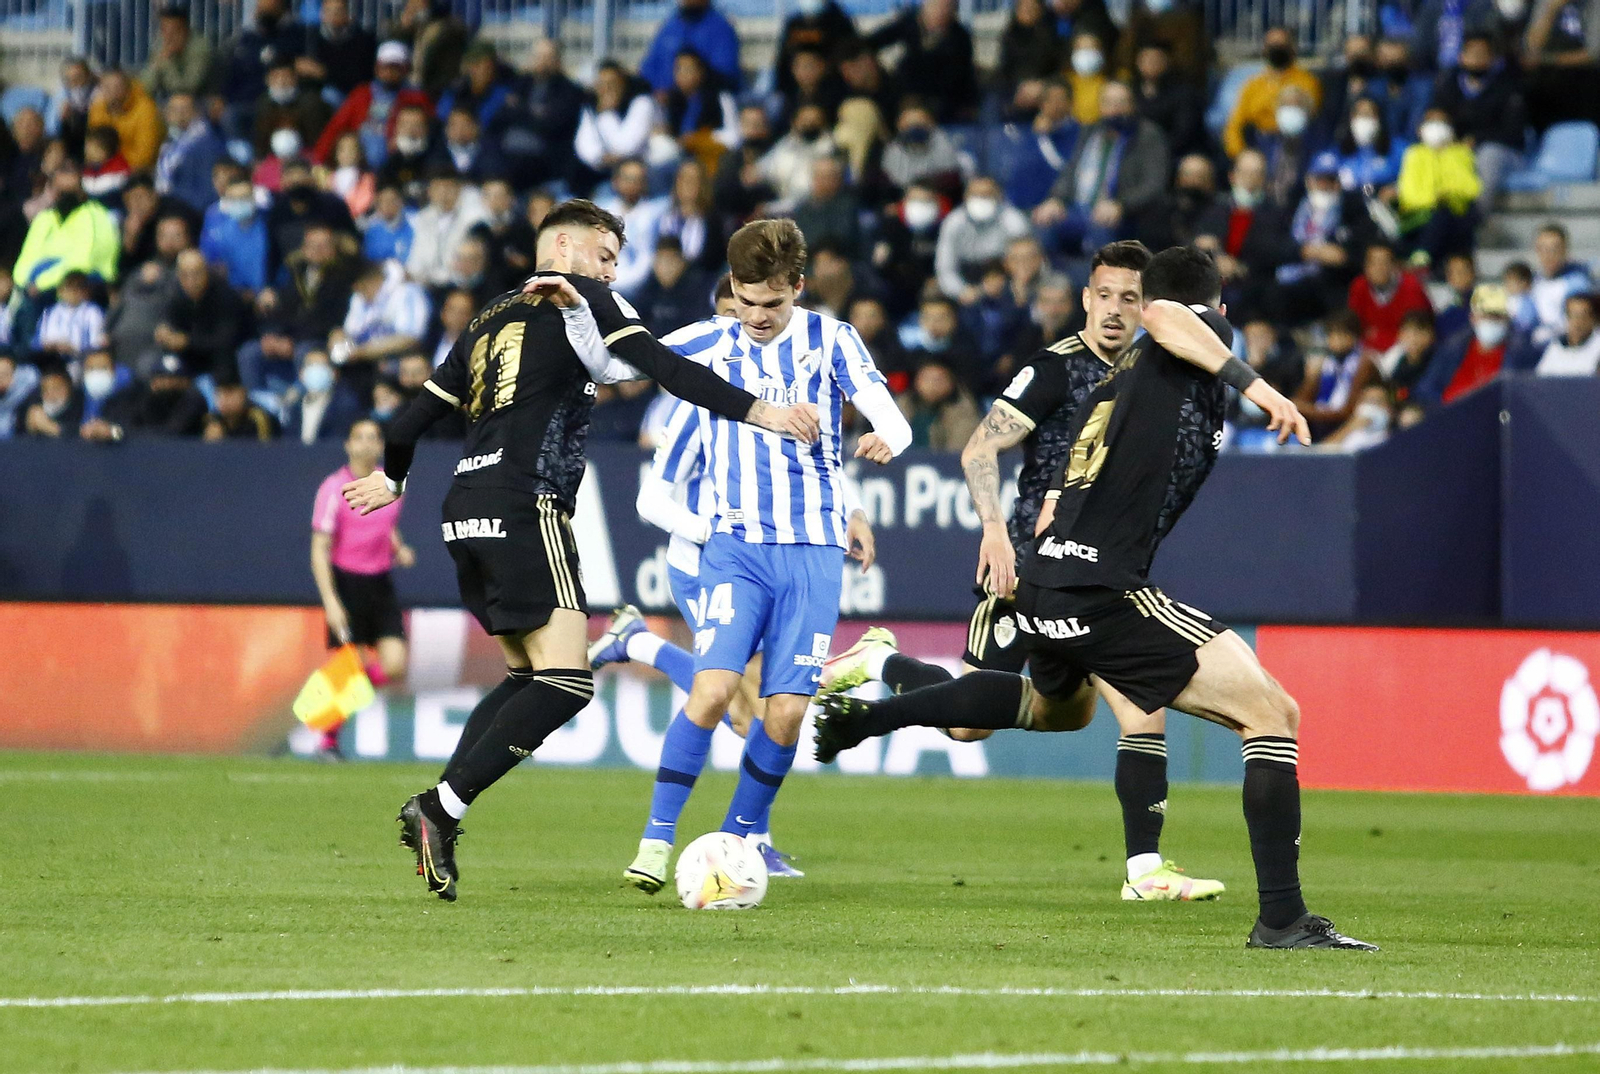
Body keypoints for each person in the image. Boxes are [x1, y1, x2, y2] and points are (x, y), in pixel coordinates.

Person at [821, 248, 1374, 949]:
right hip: (1096, 587)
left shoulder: (1120, 377)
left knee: (1054, 710)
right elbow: (1172, 315)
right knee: (1272, 714)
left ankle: (874, 708)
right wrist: (1260, 388)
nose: (1124, 311)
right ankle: (1281, 918)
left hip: (1054, 579)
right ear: (1216, 311)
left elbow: (1070, 484)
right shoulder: (1185, 334)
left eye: (1132, 299)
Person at [340, 199, 822, 901]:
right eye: (605, 256)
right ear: (563, 246)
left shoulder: (485, 318)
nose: (611, 271)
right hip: (524, 499)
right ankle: (439, 808)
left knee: (522, 678)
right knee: (567, 682)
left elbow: (415, 413)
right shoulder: (587, 297)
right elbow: (661, 365)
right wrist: (761, 410)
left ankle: (442, 806)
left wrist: (395, 475)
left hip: (463, 510)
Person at [821, 241, 1224, 899]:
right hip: (1032, 569)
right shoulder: (1055, 370)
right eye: (1106, 296)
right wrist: (994, 532)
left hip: (1105, 572)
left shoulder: (1159, 371)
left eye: (1132, 298)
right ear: (1086, 299)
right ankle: (883, 664)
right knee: (971, 725)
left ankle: (1145, 869)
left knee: (1075, 714)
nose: (1117, 311)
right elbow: (982, 447)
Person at [610, 218, 912, 895]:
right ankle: (656, 841)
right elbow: (622, 359)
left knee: (783, 713)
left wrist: (887, 440)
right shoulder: (709, 343)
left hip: (811, 552)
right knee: (715, 690)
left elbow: (891, 417)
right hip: (734, 549)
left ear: (797, 289)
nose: (755, 318)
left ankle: (741, 839)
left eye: (771, 305)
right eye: (744, 303)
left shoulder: (832, 340)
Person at [310, 417, 415, 758]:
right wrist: (331, 601)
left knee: (395, 664)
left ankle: (333, 696)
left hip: (380, 581)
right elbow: (319, 548)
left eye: (374, 437)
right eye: (360, 438)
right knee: (351, 664)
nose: (367, 444)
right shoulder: (333, 488)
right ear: (348, 445)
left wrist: (398, 548)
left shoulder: (392, 484)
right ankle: (328, 737)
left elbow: (385, 524)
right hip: (347, 583)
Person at [1430, 32, 1527, 212]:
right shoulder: (1449, 85)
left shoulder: (1507, 87)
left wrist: (1477, 139)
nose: (1476, 59)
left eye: (1482, 54)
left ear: (1492, 58)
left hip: (1504, 151)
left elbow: (1514, 134)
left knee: (1488, 156)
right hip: (1460, 147)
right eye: (1471, 54)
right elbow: (1436, 115)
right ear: (1461, 57)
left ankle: (1476, 219)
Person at [311, 41, 432, 169]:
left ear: (405, 69)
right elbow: (337, 126)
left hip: (398, 159)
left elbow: (431, 126)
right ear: (377, 67)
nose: (390, 72)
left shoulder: (415, 97)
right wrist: (319, 160)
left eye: (395, 67)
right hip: (360, 158)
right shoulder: (362, 94)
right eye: (385, 67)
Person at [1223, 27, 1324, 159]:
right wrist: (1239, 154)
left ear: (1293, 48)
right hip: (1259, 145)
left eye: (1282, 45)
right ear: (1264, 50)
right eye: (1272, 45)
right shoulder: (1253, 85)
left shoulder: (1308, 82)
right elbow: (1235, 124)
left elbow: (1310, 118)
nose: (1277, 49)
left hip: (1297, 146)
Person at [1398, 108, 1481, 264]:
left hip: (1455, 213)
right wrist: (1433, 199)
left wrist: (1446, 194)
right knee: (1438, 216)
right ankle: (1423, 257)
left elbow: (1471, 188)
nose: (1436, 126)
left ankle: (1423, 257)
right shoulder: (1414, 154)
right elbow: (1408, 192)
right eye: (1431, 122)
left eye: (1441, 122)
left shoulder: (1461, 153)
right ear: (1421, 128)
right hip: (1420, 215)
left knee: (1448, 216)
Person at [935, 177, 1032, 303]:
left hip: (1006, 278)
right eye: (975, 194)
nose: (981, 199)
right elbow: (945, 267)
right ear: (965, 196)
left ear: (999, 196)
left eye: (987, 194)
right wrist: (960, 291)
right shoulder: (953, 222)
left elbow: (1026, 260)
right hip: (967, 278)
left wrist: (1018, 285)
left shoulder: (1014, 220)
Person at [639, 0, 743, 94]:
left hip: (707, 103)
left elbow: (725, 73)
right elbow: (648, 70)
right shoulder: (669, 27)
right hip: (664, 103)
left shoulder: (721, 28)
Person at [1349, 241, 1433, 352]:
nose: (1378, 268)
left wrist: (1379, 337)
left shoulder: (1411, 288)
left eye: (1384, 262)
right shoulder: (1359, 286)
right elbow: (1355, 328)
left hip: (1406, 350)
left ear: (1394, 265)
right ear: (1365, 266)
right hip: (1367, 349)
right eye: (1373, 263)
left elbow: (1419, 334)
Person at [154, 93, 226, 212]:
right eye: (174, 110)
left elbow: (206, 190)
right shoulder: (170, 142)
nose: (179, 115)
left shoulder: (205, 144)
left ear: (196, 112)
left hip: (189, 211)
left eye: (184, 109)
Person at [296, 0, 378, 101]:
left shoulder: (363, 39)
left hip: (351, 92)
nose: (333, 15)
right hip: (316, 91)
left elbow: (359, 75)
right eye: (328, 11)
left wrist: (324, 72)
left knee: (329, 95)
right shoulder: (310, 38)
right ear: (322, 14)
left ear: (348, 14)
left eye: (338, 11)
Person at [88, 69, 164, 173]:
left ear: (127, 88)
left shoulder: (146, 110)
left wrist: (116, 165)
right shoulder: (98, 109)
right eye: (106, 87)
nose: (112, 91)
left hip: (138, 172)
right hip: (105, 171)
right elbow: (94, 148)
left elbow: (144, 157)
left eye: (117, 86)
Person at [142, 5, 214, 102]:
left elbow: (188, 87)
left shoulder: (200, 47)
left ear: (184, 30)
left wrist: (167, 62)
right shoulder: (161, 43)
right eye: (164, 30)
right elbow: (144, 86)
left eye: (173, 30)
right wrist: (155, 66)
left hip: (201, 99)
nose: (168, 36)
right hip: (168, 99)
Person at [1535, 293, 1600, 376]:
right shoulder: (1555, 347)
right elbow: (1540, 379)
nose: (1577, 323)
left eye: (1582, 316)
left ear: (1593, 318)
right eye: (1572, 316)